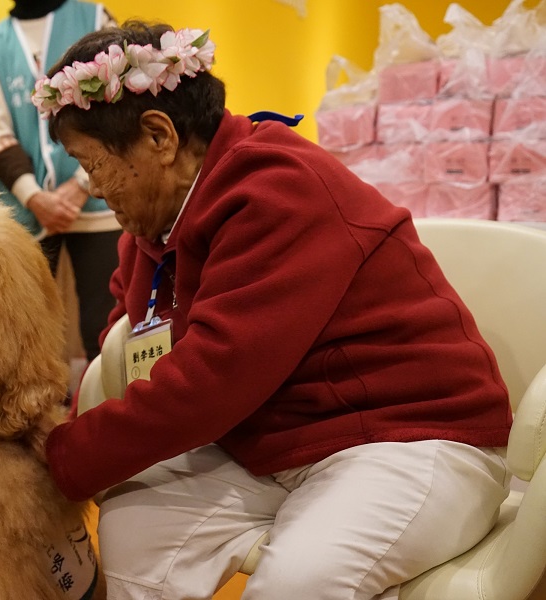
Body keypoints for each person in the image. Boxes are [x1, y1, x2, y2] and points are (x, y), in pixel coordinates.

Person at [34, 21, 514, 599]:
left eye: (94, 164)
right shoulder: (153, 225)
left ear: (158, 137)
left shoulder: (277, 187)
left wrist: (52, 460)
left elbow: (215, 378)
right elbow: (130, 348)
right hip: (272, 446)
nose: (92, 186)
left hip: (408, 440)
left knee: (298, 583)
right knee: (136, 530)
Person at [0, 0, 121, 364]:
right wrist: (34, 196)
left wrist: (81, 183)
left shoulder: (94, 17)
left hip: (99, 204)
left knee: (105, 330)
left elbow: (118, 106)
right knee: (24, 336)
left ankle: (104, 416)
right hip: (27, 212)